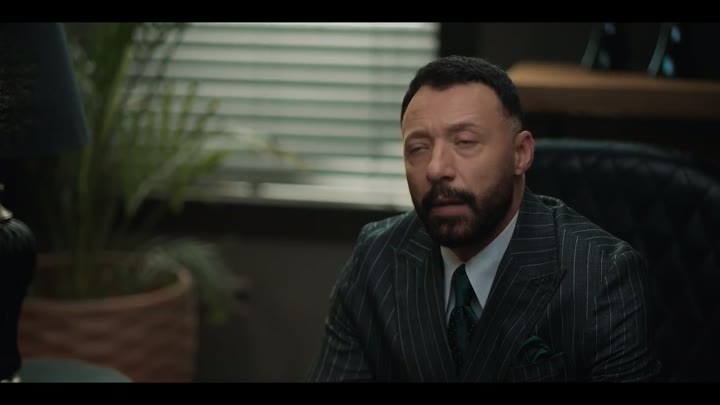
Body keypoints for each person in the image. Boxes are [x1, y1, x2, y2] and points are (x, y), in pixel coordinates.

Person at [306, 55, 662, 382]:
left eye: (464, 142)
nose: (436, 169)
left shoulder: (602, 276)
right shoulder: (375, 259)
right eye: (418, 148)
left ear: (520, 154)